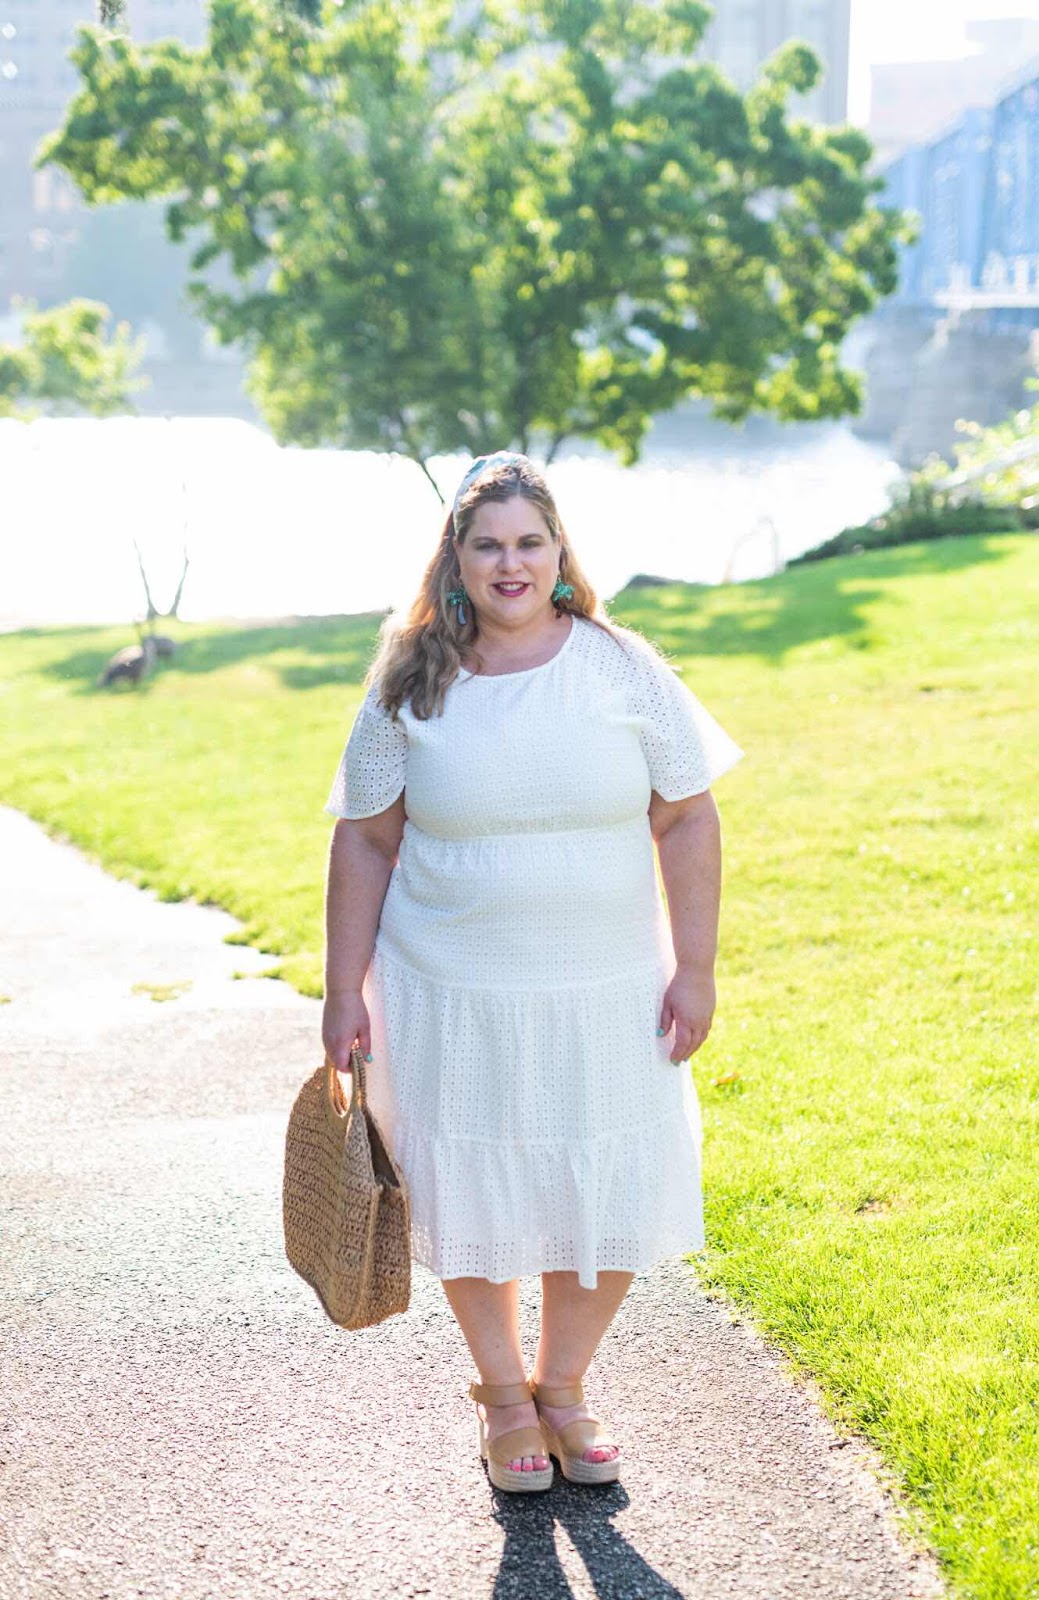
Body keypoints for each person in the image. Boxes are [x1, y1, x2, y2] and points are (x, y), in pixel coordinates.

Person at [321, 451, 744, 1494]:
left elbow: (688, 816)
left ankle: (564, 1386)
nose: (509, 563)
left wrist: (696, 966)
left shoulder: (623, 667)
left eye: (528, 542)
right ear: (455, 560)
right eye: (487, 545)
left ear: (559, 553)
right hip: (446, 990)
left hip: (609, 987)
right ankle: (505, 1398)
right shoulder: (410, 683)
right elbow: (364, 840)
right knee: (472, 1186)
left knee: (602, 1184)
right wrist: (341, 988)